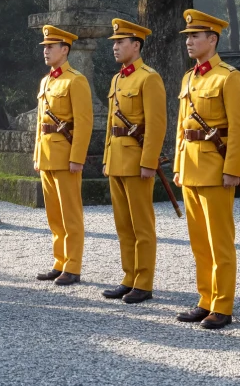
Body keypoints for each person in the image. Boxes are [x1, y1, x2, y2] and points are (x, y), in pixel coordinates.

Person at [173, 10, 240, 330]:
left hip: (216, 170)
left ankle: (222, 305)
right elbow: (182, 127)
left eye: (195, 36)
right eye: (188, 37)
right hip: (191, 168)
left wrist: (233, 169)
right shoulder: (189, 78)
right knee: (199, 242)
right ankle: (205, 299)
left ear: (212, 39)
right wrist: (178, 165)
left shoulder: (228, 77)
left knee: (220, 241)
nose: (189, 41)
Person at [101, 18, 167, 305]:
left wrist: (148, 161)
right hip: (117, 159)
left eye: (120, 42)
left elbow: (156, 124)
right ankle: (128, 277)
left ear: (136, 45)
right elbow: (110, 124)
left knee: (142, 226)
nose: (115, 47)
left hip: (137, 161)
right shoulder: (117, 79)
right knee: (123, 225)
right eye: (114, 42)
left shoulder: (149, 77)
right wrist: (106, 157)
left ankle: (144, 281)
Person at [32, 25, 92, 286]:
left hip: (66, 156)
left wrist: (77, 158)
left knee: (70, 214)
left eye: (50, 47)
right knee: (54, 215)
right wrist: (37, 154)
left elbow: (84, 122)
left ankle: (73, 266)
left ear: (64, 50)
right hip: (47, 155)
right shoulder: (46, 81)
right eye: (44, 47)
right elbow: (39, 122)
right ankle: (59, 262)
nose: (46, 51)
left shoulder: (75, 80)